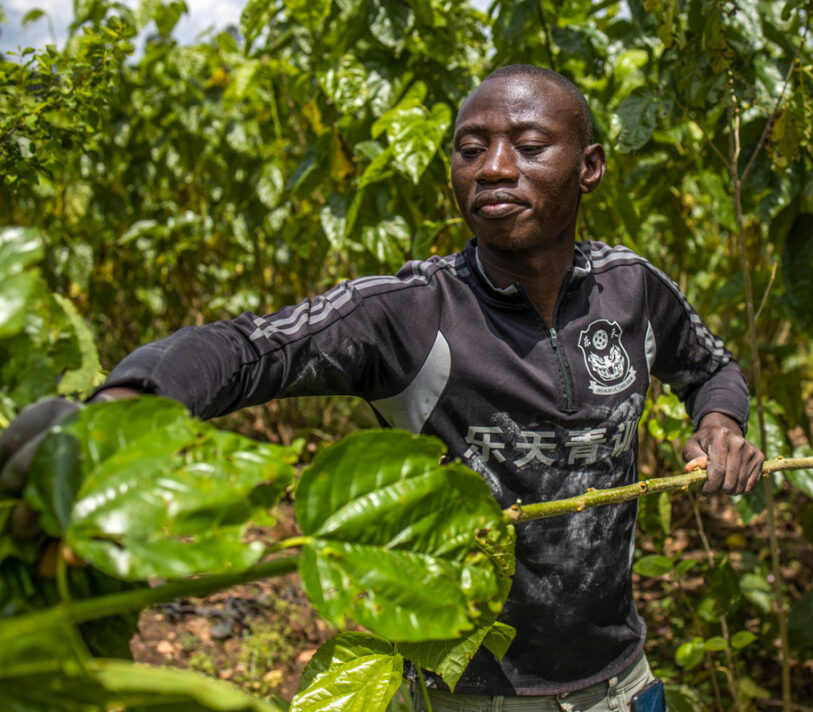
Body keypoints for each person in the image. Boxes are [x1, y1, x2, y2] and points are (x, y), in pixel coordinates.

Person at [2, 64, 764, 710]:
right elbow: (246, 349)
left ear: (589, 166)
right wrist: (123, 407)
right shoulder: (410, 312)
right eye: (470, 149)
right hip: (463, 694)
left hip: (621, 685)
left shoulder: (632, 289)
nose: (494, 168)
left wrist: (720, 423)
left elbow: (712, 369)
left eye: (529, 147)